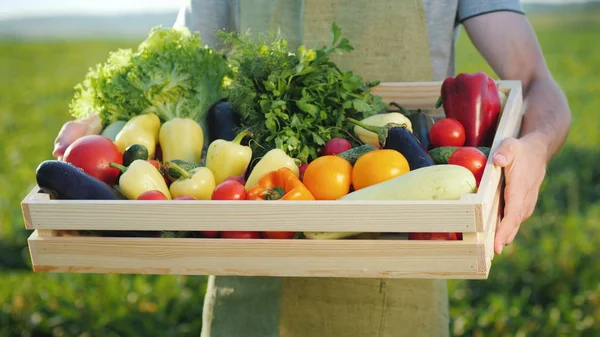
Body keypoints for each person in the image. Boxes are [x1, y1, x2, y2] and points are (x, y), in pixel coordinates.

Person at [52, 1, 572, 336]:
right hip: (245, 268)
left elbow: (533, 80)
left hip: (399, 277)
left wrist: (535, 148)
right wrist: (97, 123)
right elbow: (178, 61)